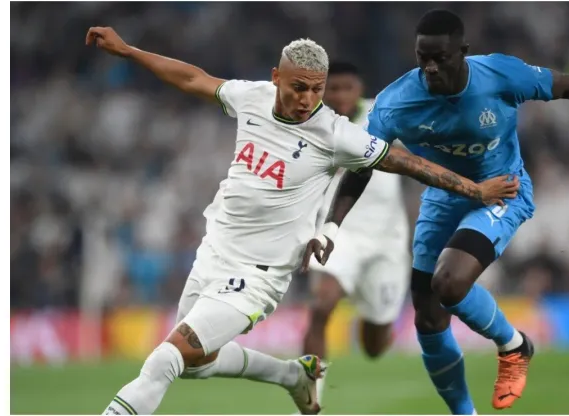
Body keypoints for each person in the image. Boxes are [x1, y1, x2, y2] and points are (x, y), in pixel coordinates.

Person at [85, 26, 520, 416]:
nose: (307, 99)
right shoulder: (250, 98)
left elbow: (403, 162)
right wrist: (128, 52)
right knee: (197, 364)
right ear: (276, 78)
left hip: (259, 276)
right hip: (213, 254)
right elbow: (192, 77)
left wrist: (475, 190)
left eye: (316, 89)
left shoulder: (334, 134)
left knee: (166, 358)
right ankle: (293, 376)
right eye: (297, 88)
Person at [333, 9, 569, 415]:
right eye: (422, 58)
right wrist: (331, 226)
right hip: (443, 198)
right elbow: (362, 166)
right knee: (429, 321)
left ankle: (515, 345)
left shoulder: (500, 74)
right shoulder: (395, 103)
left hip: (503, 192)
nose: (430, 67)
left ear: (463, 52)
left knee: (448, 284)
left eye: (441, 58)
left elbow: (566, 84)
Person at [301, 62, 411, 407]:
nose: (339, 96)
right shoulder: (310, 122)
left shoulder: (385, 114)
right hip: (338, 233)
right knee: (321, 307)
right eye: (332, 89)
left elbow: (418, 154)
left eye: (347, 88)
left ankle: (376, 314)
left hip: (386, 243)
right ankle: (308, 400)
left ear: (359, 88)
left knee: (374, 346)